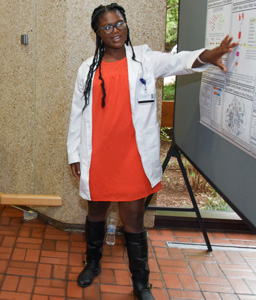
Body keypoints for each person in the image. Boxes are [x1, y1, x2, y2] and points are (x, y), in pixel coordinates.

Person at [67, 3, 238, 300]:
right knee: (96, 210)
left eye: (119, 23)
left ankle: (141, 283)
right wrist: (75, 153)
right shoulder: (87, 68)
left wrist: (208, 55)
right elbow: (77, 113)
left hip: (133, 155)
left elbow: (180, 62)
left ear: (126, 24)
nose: (115, 31)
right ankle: (92, 263)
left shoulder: (145, 59)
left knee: (133, 217)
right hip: (99, 154)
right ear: (97, 32)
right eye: (107, 27)